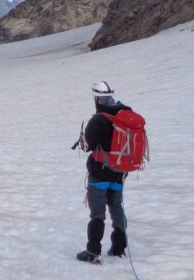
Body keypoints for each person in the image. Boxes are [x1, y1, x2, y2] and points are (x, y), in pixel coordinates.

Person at [76, 81, 130, 264]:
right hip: (119, 172)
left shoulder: (98, 120)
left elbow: (88, 146)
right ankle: (119, 247)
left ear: (97, 98)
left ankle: (93, 252)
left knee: (97, 214)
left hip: (99, 174)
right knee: (117, 207)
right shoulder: (125, 113)